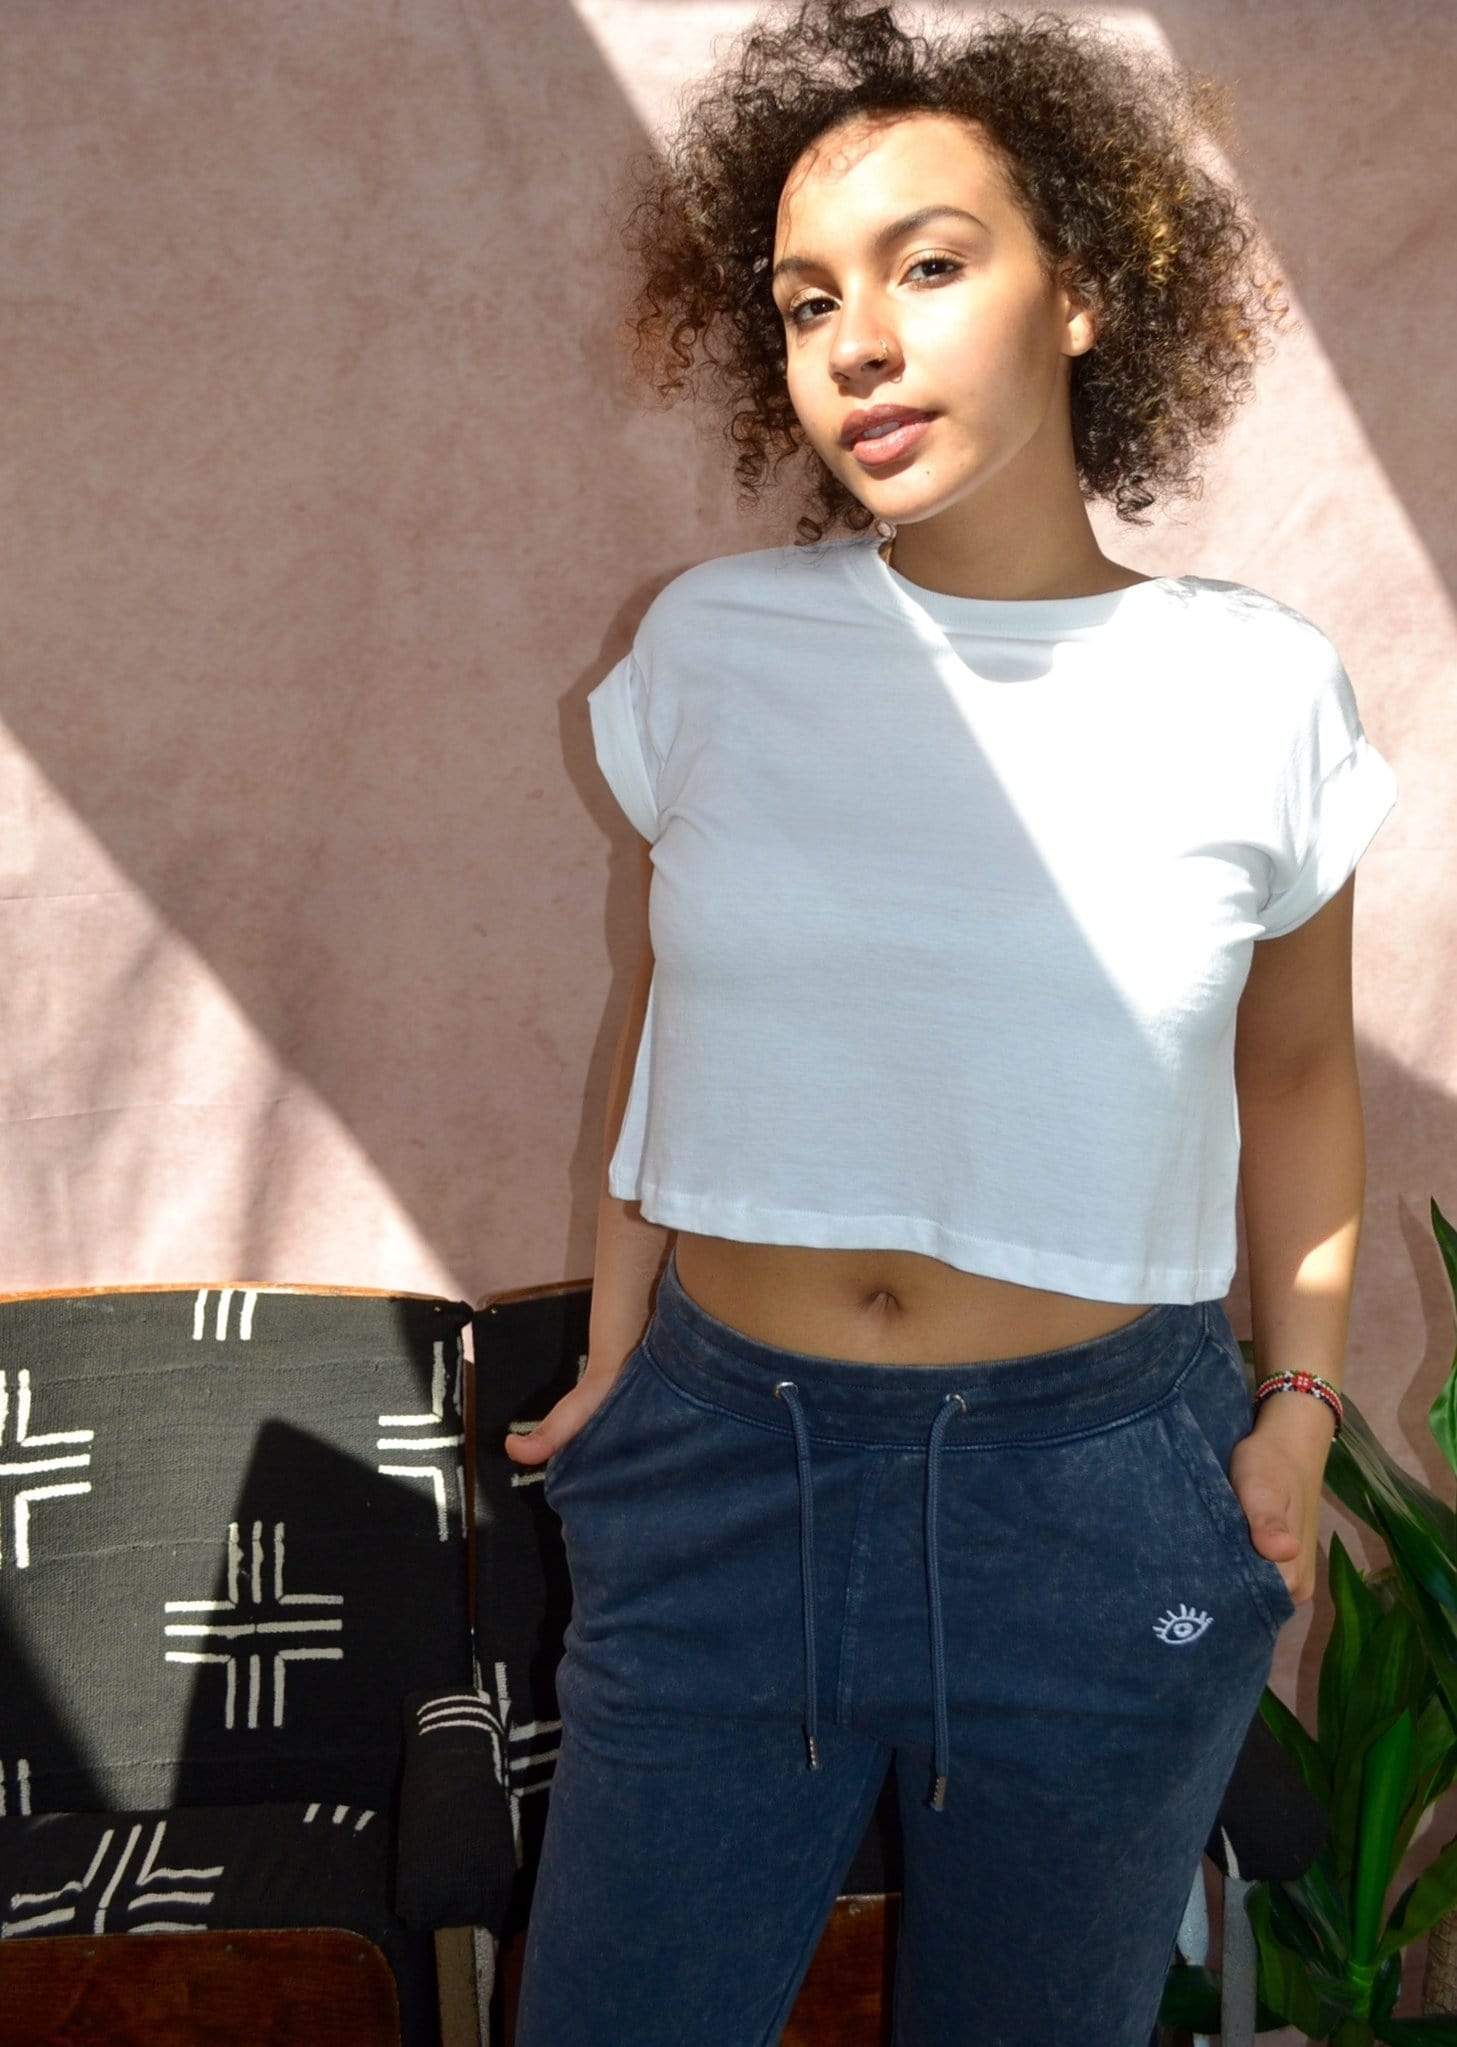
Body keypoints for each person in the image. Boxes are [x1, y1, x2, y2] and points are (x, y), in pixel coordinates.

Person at [505, 3, 1398, 2040]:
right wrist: (624, 1355)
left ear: (1081, 290)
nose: (857, 344)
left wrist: (1296, 1403)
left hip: (1101, 1499)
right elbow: (670, 1015)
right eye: (807, 300)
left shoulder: (1255, 689)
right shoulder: (712, 648)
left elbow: (1293, 1075)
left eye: (927, 265)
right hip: (725, 1473)